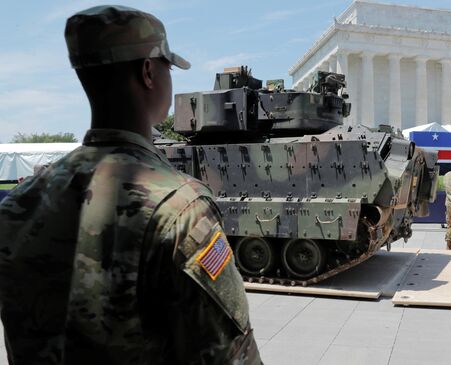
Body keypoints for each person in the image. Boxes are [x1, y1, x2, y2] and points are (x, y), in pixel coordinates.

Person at [0, 5, 261, 364]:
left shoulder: (19, 204)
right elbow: (228, 356)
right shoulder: (179, 208)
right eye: (169, 67)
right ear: (148, 72)